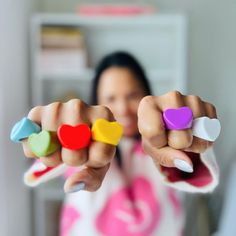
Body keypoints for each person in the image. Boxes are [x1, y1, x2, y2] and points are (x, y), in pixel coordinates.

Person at [22, 51, 219, 236]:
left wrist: (186, 140)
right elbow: (49, 163)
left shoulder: (160, 145)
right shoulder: (85, 145)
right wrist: (67, 139)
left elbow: (195, 173)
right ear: (97, 102)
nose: (123, 109)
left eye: (132, 96)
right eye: (111, 98)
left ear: (146, 96)